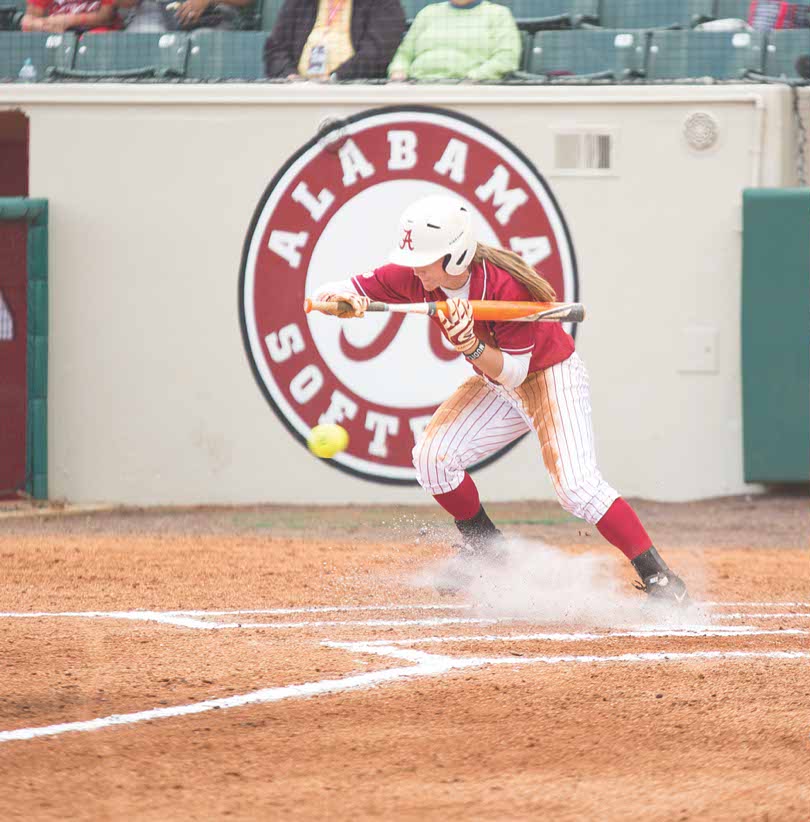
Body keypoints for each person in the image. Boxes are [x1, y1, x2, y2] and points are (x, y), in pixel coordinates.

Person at [313, 195, 690, 604]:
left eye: (427, 258)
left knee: (576, 488)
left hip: (548, 376)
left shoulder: (505, 287)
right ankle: (487, 549)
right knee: (432, 459)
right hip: (497, 384)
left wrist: (471, 345)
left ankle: (661, 579)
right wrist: (338, 303)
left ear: (456, 256)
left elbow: (515, 371)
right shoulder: (417, 276)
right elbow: (342, 288)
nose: (416, 266)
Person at [264, 0, 406, 81]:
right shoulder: (299, 2)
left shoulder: (384, 3)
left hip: (352, 93)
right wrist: (290, 76)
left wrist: (335, 78)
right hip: (298, 93)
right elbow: (275, 48)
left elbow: (379, 52)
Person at [388, 0, 521, 82]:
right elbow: (404, 54)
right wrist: (398, 72)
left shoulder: (498, 14)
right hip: (417, 86)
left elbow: (506, 58)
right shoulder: (428, 12)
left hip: (470, 89)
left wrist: (473, 78)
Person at [21, 0, 119, 32]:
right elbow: (29, 21)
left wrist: (70, 20)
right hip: (59, 35)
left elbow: (107, 16)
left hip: (97, 31)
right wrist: (43, 24)